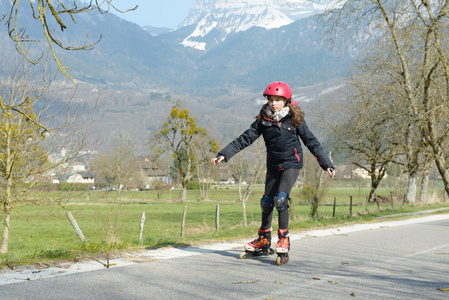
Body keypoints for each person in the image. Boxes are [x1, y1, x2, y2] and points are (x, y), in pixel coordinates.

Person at [211, 81, 335, 263]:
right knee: (266, 202)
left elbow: (311, 141)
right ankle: (264, 240)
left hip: (292, 164)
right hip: (273, 165)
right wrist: (224, 154)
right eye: (271, 100)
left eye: (278, 100)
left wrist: (327, 164)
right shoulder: (263, 120)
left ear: (286, 101)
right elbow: (244, 139)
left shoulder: (294, 118)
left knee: (280, 199)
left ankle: (283, 239)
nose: (274, 103)